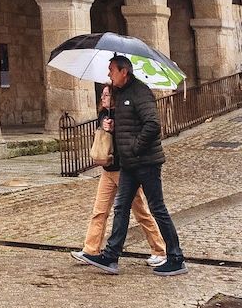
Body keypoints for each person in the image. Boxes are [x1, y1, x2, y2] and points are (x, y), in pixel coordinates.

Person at [75, 54, 187, 277]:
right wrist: (110, 124)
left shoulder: (140, 92)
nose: (109, 74)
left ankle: (175, 257)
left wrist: (135, 147)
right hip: (128, 165)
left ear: (123, 71)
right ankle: (111, 256)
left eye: (111, 70)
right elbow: (125, 123)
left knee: (157, 208)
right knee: (121, 208)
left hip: (146, 162)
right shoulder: (121, 93)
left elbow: (152, 124)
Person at [70, 84, 165, 268]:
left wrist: (115, 128)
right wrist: (104, 124)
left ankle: (160, 250)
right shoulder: (103, 115)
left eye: (107, 95)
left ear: (114, 97)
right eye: (102, 95)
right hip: (108, 170)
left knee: (141, 213)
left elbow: (130, 134)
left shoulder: (124, 114)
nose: (103, 97)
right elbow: (102, 127)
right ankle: (91, 250)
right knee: (99, 211)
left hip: (124, 172)